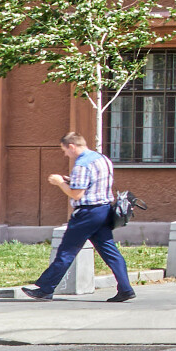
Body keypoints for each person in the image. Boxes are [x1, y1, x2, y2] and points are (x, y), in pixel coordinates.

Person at [21, 129, 134, 302]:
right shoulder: (102, 159)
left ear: (72, 146)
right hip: (104, 210)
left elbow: (77, 194)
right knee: (110, 251)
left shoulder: (82, 164)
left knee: (66, 250)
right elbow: (94, 184)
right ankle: (125, 289)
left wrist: (60, 183)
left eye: (65, 150)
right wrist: (71, 180)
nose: (65, 154)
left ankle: (45, 289)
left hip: (87, 214)